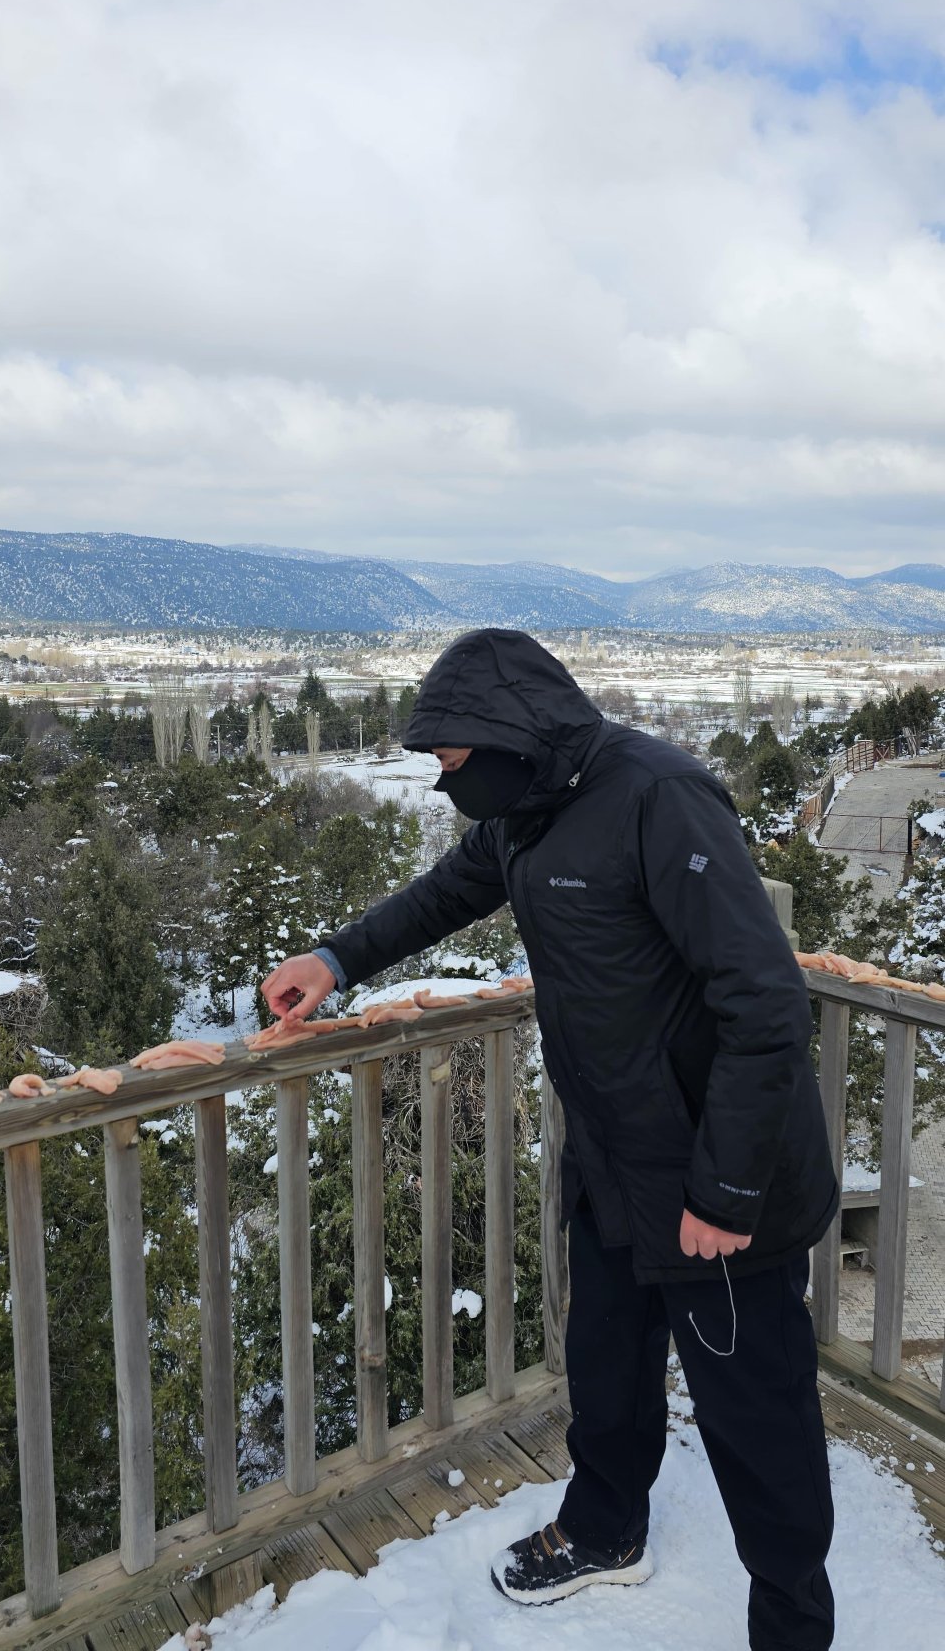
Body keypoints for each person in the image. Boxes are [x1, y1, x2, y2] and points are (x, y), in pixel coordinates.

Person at [263, 628, 838, 1651]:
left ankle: (792, 1615)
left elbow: (764, 1003)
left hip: (720, 1182)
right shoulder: (528, 809)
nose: (446, 785)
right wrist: (334, 958)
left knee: (757, 1417)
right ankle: (605, 1528)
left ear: (506, 737)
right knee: (607, 1367)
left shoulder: (659, 798)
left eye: (450, 764)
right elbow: (447, 891)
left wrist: (725, 1194)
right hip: (614, 1160)